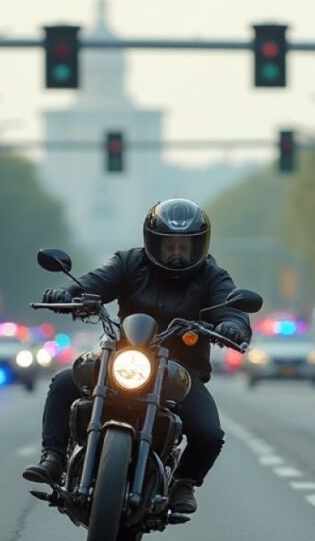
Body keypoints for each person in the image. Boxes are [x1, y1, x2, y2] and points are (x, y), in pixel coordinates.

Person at [22, 198, 252, 514]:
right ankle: (53, 458)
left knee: (209, 433)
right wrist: (68, 294)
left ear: (198, 246)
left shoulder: (212, 275)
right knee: (64, 382)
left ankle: (184, 482)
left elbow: (231, 307)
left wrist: (232, 324)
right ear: (153, 242)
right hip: (123, 357)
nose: (176, 253)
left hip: (178, 373)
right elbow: (93, 283)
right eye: (169, 245)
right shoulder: (129, 263)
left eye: (184, 247)